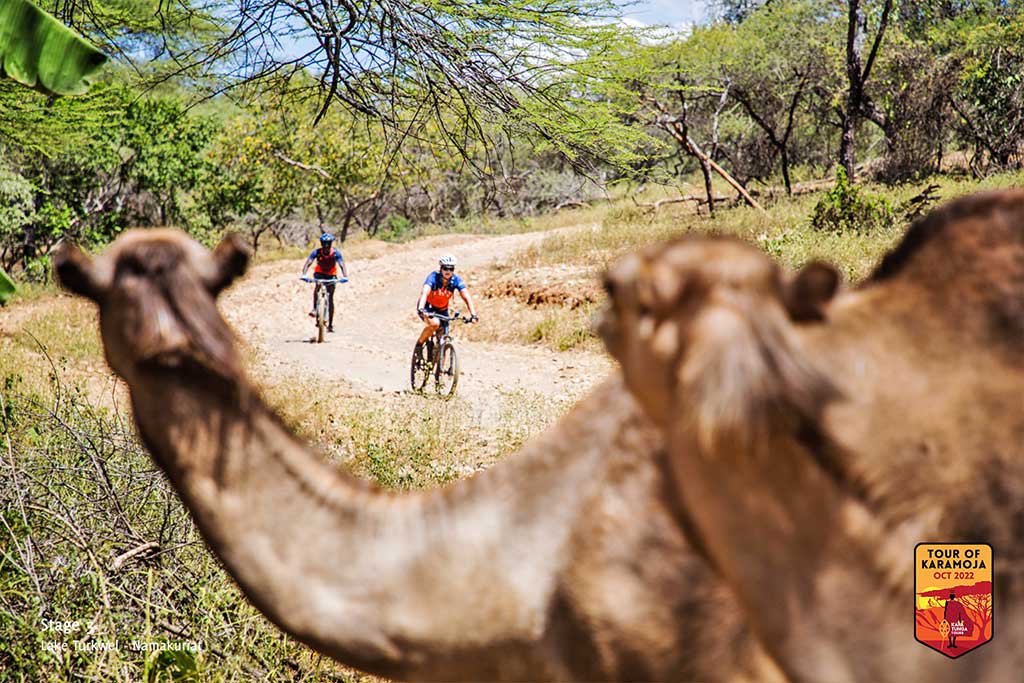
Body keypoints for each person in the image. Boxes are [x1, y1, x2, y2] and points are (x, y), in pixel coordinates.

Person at [415, 254, 477, 359]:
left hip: (442, 310)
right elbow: (425, 292)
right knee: (434, 324)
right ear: (441, 268)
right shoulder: (433, 277)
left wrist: (473, 314)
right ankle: (419, 346)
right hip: (427, 307)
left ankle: (439, 366)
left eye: (451, 269)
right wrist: (421, 308)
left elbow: (466, 296)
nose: (448, 271)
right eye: (445, 268)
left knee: (443, 339)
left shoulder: (455, 280)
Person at [301, 232, 348, 332]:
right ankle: (314, 309)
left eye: (328, 243)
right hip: (319, 273)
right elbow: (308, 262)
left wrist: (345, 276)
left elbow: (342, 264)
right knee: (317, 287)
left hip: (331, 275)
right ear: (321, 244)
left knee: (330, 298)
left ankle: (330, 325)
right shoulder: (317, 252)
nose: (326, 246)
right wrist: (304, 274)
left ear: (331, 244)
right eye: (324, 243)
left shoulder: (336, 253)